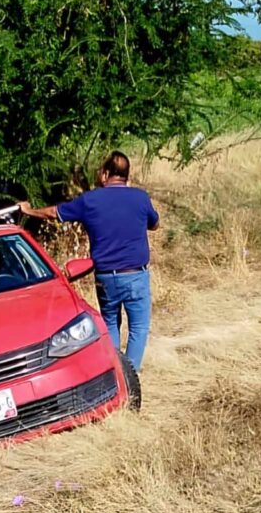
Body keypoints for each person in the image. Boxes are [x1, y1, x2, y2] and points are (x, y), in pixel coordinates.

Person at [19, 150, 159, 370]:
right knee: (139, 328)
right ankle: (131, 376)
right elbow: (154, 224)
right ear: (125, 175)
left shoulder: (90, 200)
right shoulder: (140, 197)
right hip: (136, 275)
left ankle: (116, 375)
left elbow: (54, 213)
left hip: (106, 278)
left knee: (111, 323)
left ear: (105, 174)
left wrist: (29, 211)